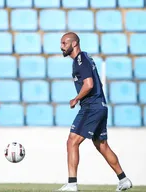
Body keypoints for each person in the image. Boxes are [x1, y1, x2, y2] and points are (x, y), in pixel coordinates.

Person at [57, 32, 132, 192]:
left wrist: (76, 98)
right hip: (100, 106)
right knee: (102, 145)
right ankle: (123, 179)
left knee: (72, 141)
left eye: (64, 43)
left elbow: (89, 84)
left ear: (74, 44)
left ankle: (72, 184)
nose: (61, 46)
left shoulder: (80, 60)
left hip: (91, 107)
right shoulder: (84, 58)